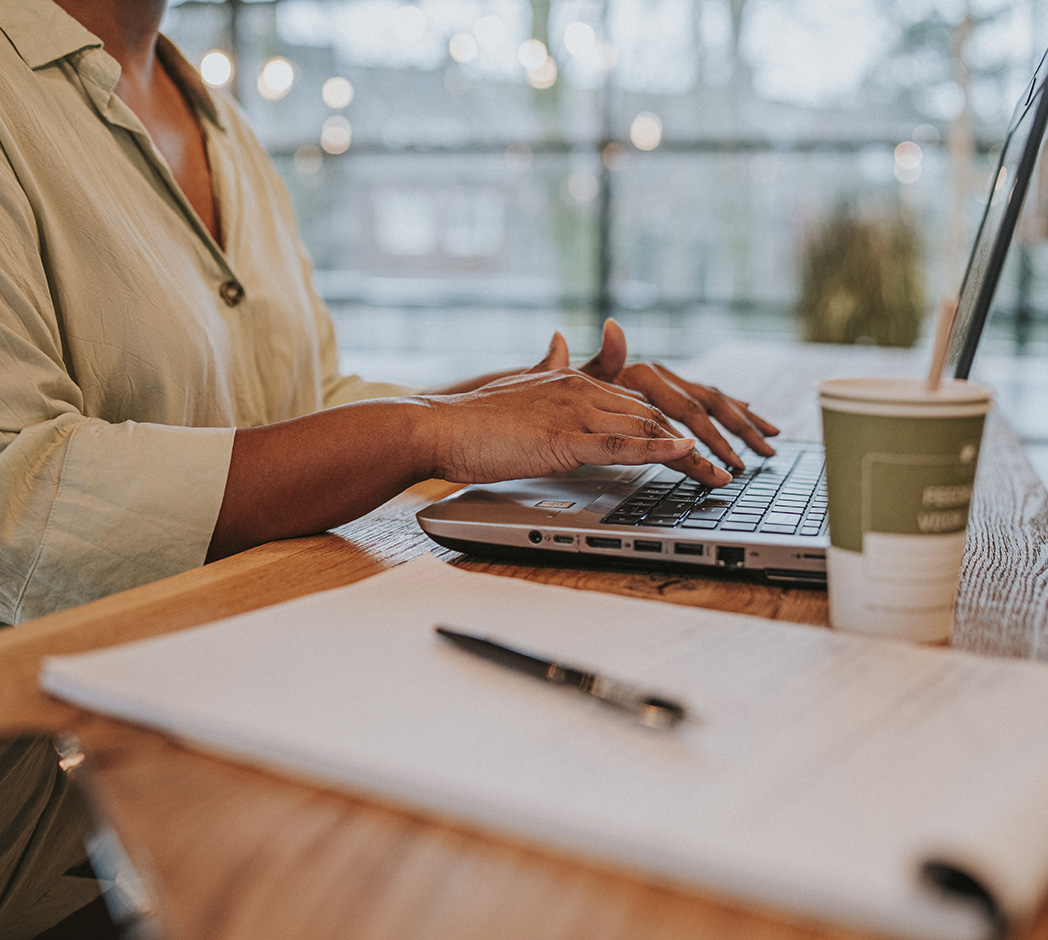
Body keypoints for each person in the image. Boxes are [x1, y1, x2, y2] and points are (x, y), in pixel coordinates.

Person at [0, 0, 779, 626]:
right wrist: (432, 431)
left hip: (265, 638)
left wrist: (538, 408)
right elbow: (23, 497)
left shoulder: (224, 126)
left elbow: (305, 403)